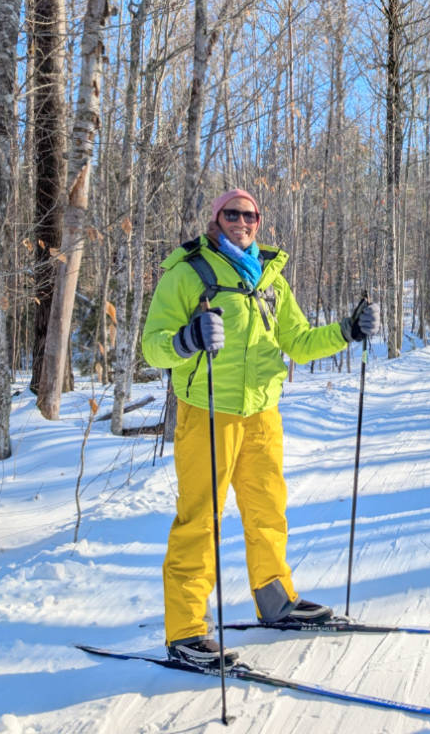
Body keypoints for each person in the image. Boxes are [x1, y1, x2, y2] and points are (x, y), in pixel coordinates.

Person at [141, 188, 381, 666]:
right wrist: (187, 338)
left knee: (267, 513)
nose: (242, 222)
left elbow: (299, 341)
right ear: (216, 220)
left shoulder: (271, 278)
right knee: (199, 522)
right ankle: (187, 632)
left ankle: (276, 602)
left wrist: (348, 331)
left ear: (259, 221)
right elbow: (153, 347)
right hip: (207, 412)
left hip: (262, 414)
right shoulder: (188, 273)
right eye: (232, 214)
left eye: (250, 215)